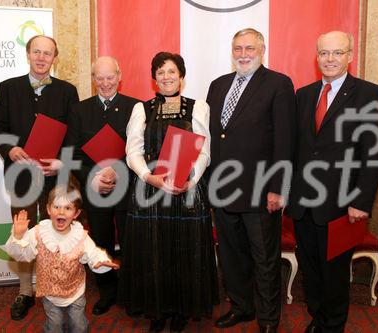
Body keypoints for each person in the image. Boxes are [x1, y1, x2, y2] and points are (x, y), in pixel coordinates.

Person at [285, 31, 378, 333]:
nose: (330, 59)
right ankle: (318, 319)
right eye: (324, 53)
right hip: (303, 203)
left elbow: (372, 152)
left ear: (350, 56)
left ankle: (334, 326)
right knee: (311, 271)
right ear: (317, 57)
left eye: (337, 53)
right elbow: (295, 149)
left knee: (335, 273)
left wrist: (361, 201)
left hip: (343, 205)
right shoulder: (303, 95)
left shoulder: (368, 93)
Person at [118, 52, 219, 332]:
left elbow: (205, 151)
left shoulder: (199, 107)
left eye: (172, 71)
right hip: (150, 190)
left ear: (182, 76)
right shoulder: (142, 109)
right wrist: (148, 176)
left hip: (186, 190)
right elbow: (132, 151)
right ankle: (157, 311)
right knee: (153, 251)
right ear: (154, 78)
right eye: (160, 72)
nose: (166, 77)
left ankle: (181, 311)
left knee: (184, 251)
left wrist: (192, 179)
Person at [206, 28, 296, 332]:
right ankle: (242, 308)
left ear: (262, 50)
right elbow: (212, 139)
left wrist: (277, 189)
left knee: (265, 261)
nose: (243, 54)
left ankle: (269, 319)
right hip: (222, 191)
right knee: (232, 258)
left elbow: (285, 141)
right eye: (238, 48)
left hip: (260, 193)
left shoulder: (278, 84)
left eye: (249, 48)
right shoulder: (218, 85)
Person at [0, 35, 79, 320]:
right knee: (23, 231)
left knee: (57, 231)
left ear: (55, 58)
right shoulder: (8, 88)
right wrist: (10, 148)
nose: (42, 58)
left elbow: (75, 134)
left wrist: (61, 162)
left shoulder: (67, 91)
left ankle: (58, 285)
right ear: (28, 55)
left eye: (48, 53)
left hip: (56, 178)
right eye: (37, 52)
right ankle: (26, 291)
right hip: (21, 176)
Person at [64, 56, 139, 315]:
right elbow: (71, 155)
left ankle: (131, 292)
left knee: (131, 241)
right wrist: (94, 178)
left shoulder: (135, 107)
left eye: (110, 77)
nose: (105, 83)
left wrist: (119, 174)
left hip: (128, 187)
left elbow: (142, 151)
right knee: (100, 242)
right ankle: (107, 291)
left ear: (119, 77)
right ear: (93, 79)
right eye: (100, 78)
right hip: (95, 190)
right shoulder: (79, 110)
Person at [5, 184, 119, 333]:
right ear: (48, 209)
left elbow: (93, 253)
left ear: (76, 213)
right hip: (50, 292)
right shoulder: (39, 232)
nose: (61, 212)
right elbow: (23, 254)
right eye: (56, 207)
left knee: (79, 326)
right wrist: (18, 237)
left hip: (75, 290)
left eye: (68, 208)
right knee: (55, 326)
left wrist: (100, 261)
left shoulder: (80, 235)